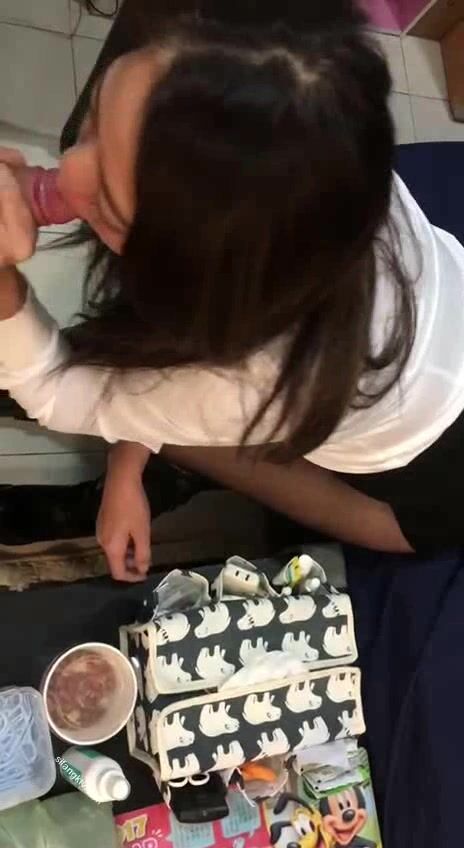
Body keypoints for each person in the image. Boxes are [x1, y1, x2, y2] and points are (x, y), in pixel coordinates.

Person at [0, 1, 463, 581]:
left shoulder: (249, 377)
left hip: (427, 495)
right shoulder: (307, 130)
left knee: (185, 440)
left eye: (110, 206)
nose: (67, 168)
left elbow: (60, 391)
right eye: (97, 114)